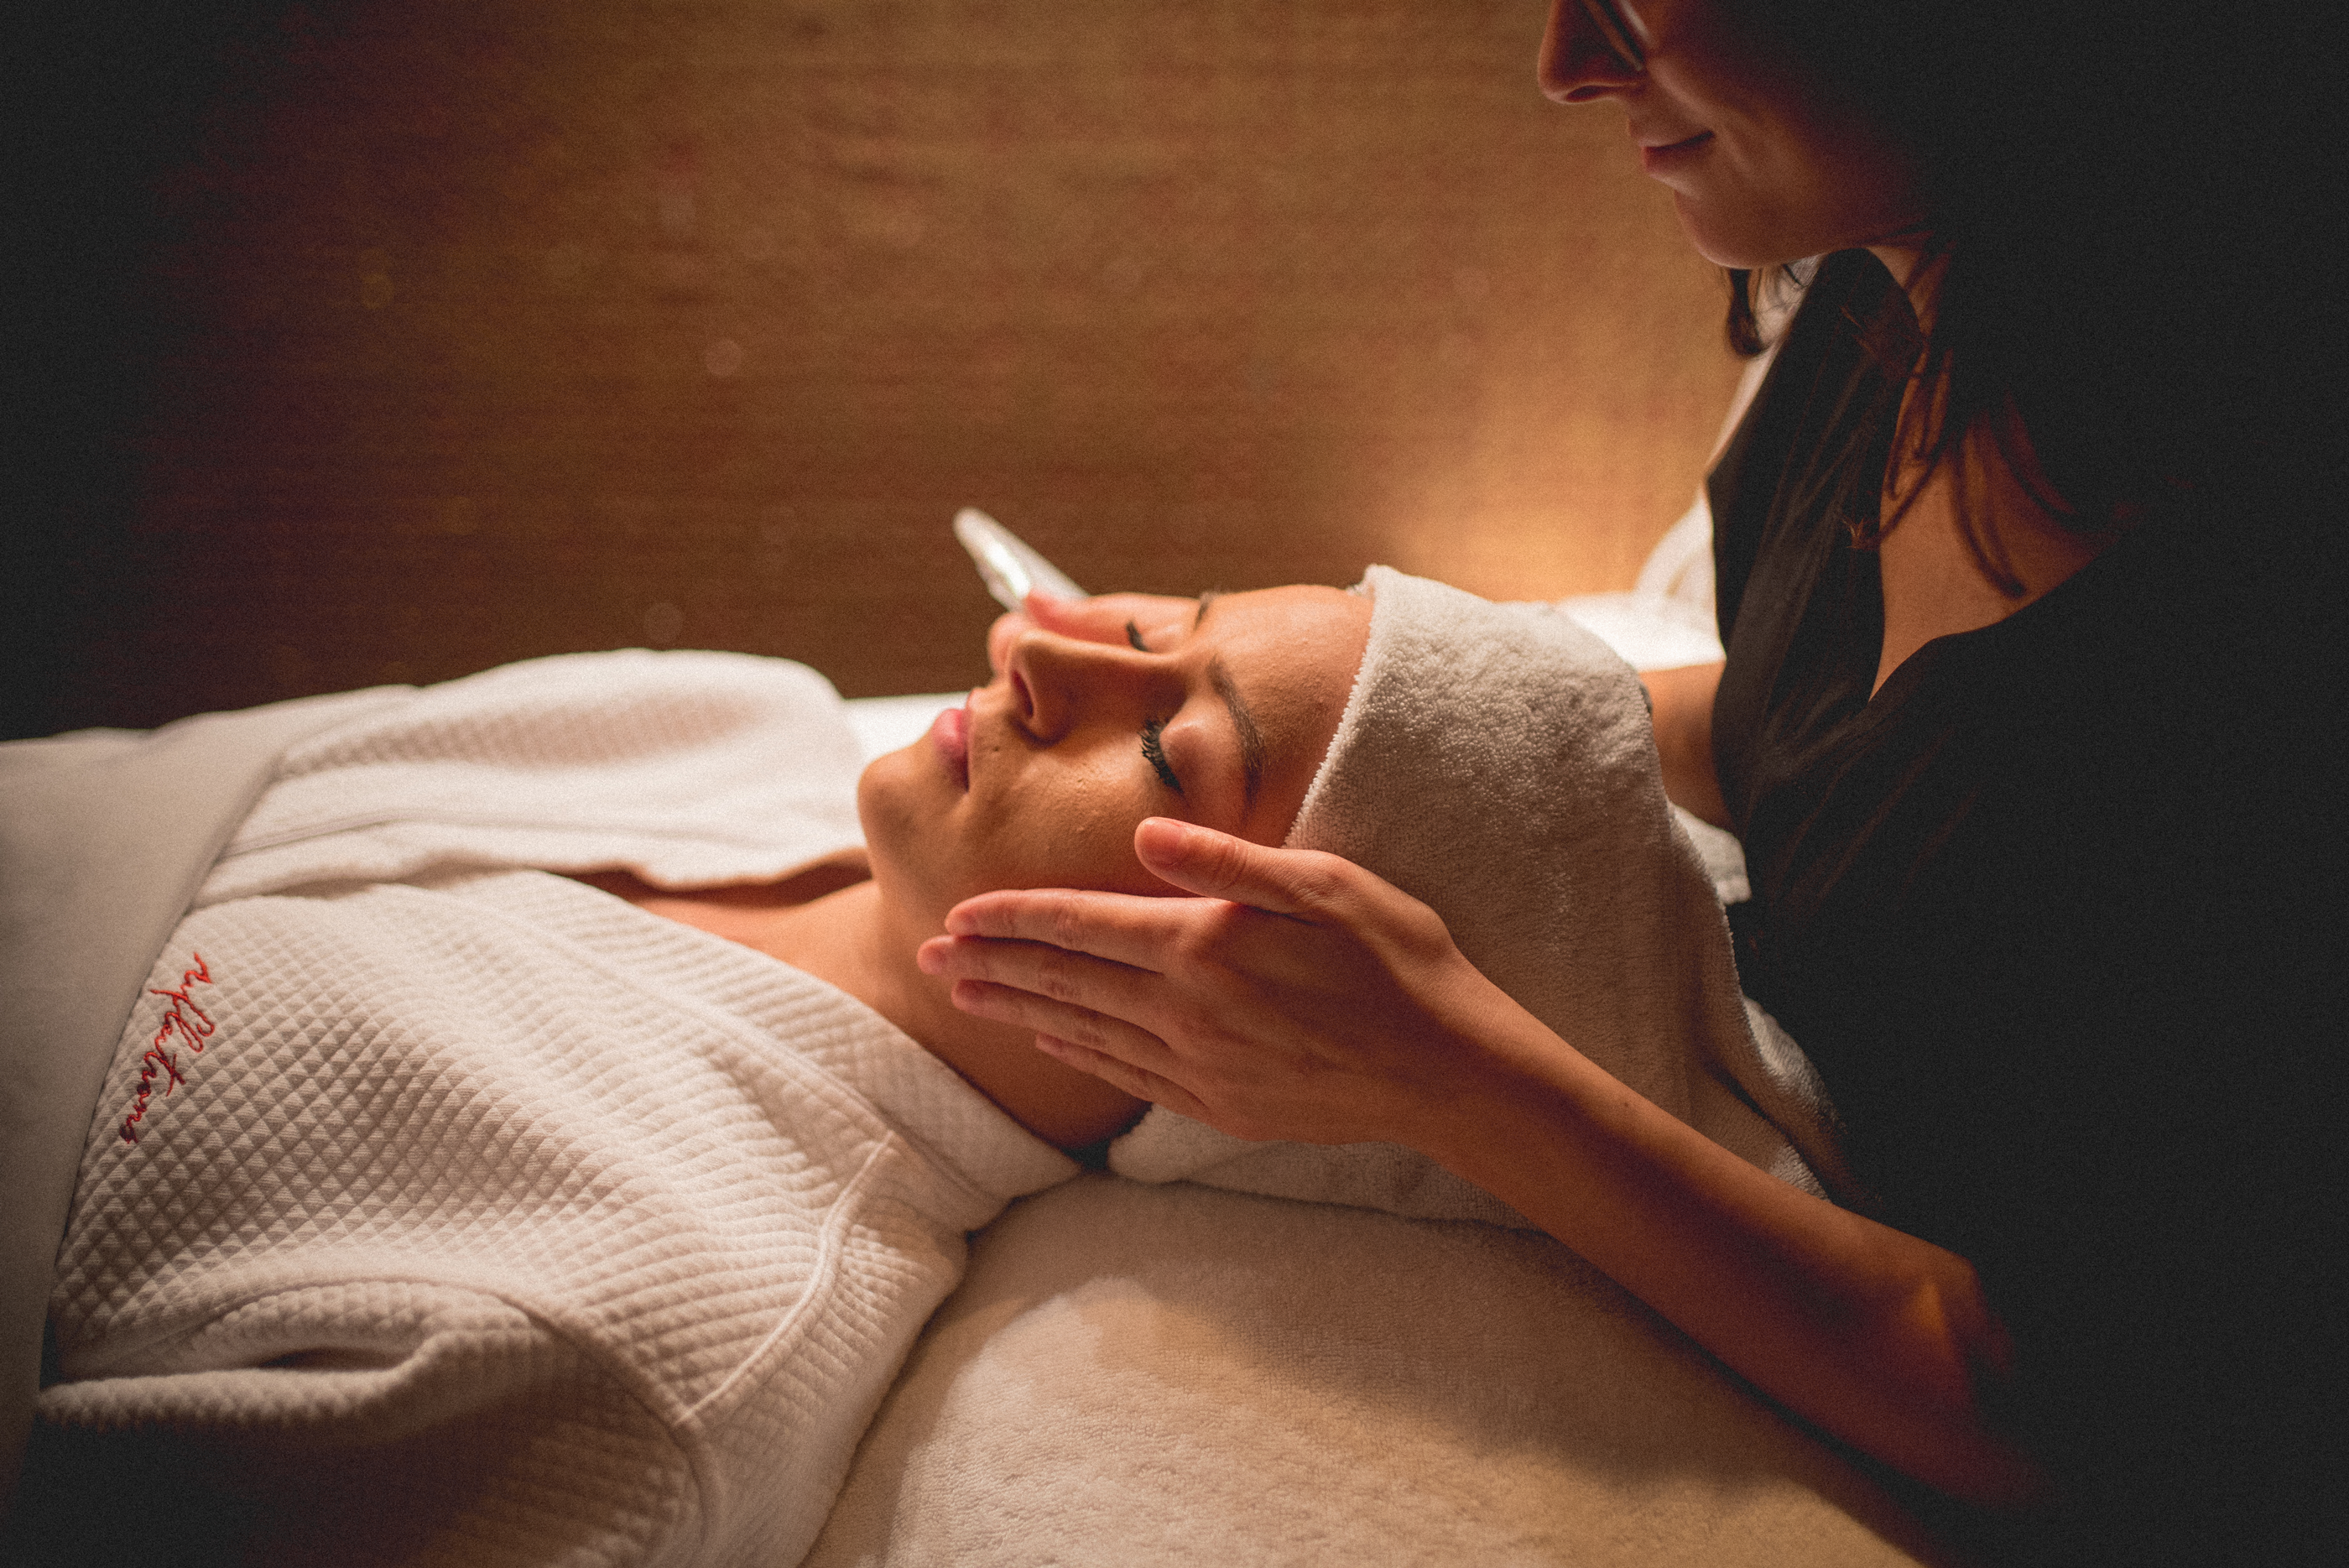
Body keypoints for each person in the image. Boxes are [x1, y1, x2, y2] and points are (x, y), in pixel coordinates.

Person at [918, 3, 2349, 1562]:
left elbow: (2108, 1422)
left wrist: (1448, 1074)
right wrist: (1389, 708)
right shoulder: (1897, 310)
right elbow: (1828, 731)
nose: (1567, 61)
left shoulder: (2253, 644)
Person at [32, 575, 1795, 1565]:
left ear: (1259, 1014)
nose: (1034, 641)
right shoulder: (728, 717)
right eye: (1162, 609)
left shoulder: (659, 1348)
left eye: (1172, 748)